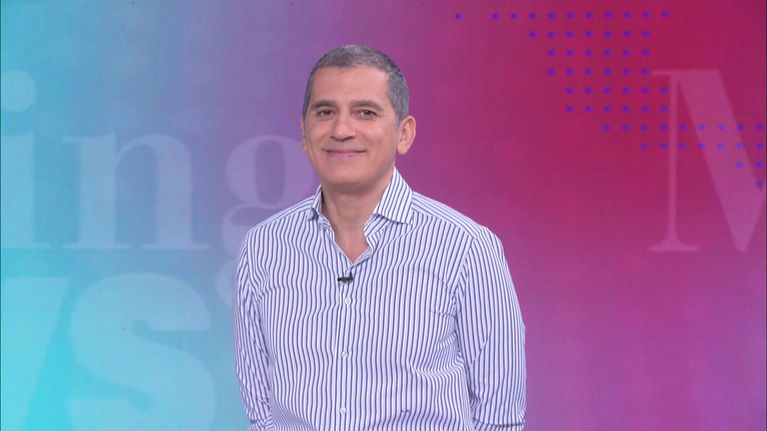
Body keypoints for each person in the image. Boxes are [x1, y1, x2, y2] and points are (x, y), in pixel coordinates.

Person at [234, 44, 526, 430]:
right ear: (304, 133)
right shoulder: (263, 248)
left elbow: (499, 418)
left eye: (365, 112)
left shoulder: (466, 249)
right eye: (325, 112)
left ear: (404, 134)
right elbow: (261, 412)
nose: (341, 130)